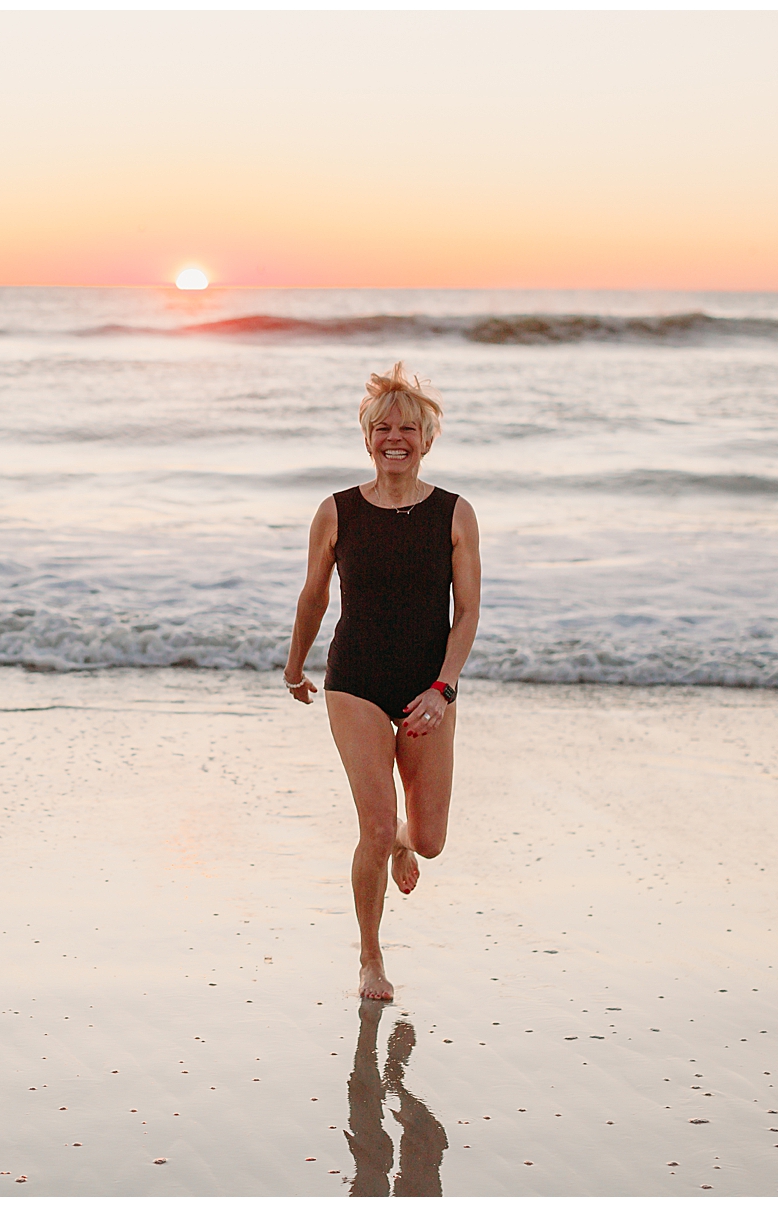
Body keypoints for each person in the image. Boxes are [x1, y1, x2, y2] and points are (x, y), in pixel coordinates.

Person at [283, 363, 481, 1002]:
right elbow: (314, 596)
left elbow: (468, 612)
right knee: (371, 825)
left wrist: (443, 689)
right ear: (367, 437)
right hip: (357, 678)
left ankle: (401, 840)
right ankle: (371, 957)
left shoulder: (455, 514)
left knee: (428, 839)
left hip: (427, 684)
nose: (395, 437)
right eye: (383, 427)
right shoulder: (336, 511)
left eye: (409, 428)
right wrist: (295, 665)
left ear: (427, 438)